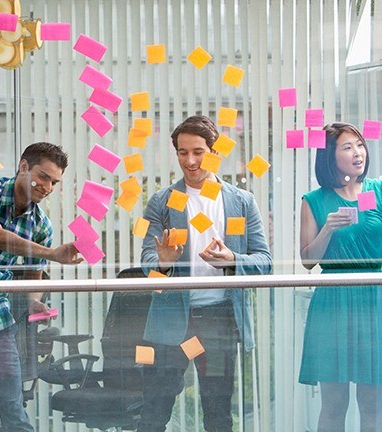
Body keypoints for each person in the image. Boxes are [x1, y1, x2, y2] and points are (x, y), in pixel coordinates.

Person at [137, 115, 271, 432]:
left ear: (213, 152)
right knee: (154, 412)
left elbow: (264, 261)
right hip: (170, 319)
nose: (190, 160)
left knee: (218, 412)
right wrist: (163, 262)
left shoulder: (242, 201)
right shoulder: (161, 201)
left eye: (198, 151)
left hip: (220, 319)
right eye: (183, 152)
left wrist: (232, 260)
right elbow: (146, 261)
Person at [298, 122, 382, 431]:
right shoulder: (313, 200)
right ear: (330, 156)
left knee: (372, 401)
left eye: (360, 145)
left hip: (373, 297)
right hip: (332, 299)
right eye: (347, 147)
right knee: (334, 403)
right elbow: (307, 261)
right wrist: (328, 229)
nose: (358, 152)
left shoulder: (380, 189)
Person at [0, 142, 82, 432]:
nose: (47, 186)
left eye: (54, 181)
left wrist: (34, 300)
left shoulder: (41, 225)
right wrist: (51, 254)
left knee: (13, 409)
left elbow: (31, 277)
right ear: (24, 166)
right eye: (43, 176)